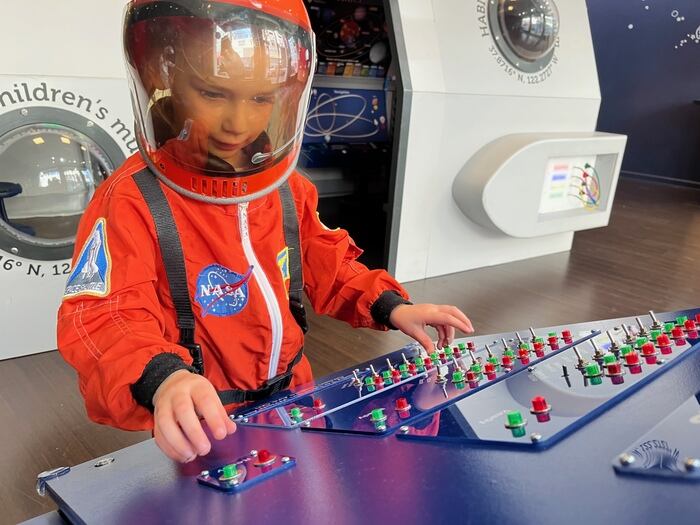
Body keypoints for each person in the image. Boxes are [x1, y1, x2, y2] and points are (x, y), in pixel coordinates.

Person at [57, 0, 473, 464]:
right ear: (165, 79)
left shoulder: (286, 189)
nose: (239, 123)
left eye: (261, 99)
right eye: (214, 93)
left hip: (297, 395)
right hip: (205, 414)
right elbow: (106, 315)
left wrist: (392, 306)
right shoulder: (133, 200)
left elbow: (327, 264)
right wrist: (164, 379)